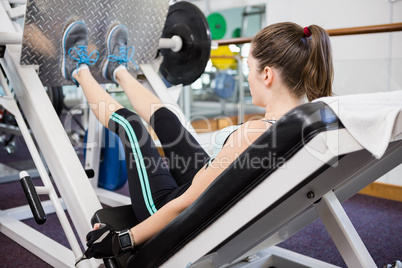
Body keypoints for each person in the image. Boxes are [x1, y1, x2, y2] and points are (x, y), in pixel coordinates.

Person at [61, 20, 333, 259]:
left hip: (173, 209)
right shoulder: (308, 122)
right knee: (168, 121)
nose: (247, 77)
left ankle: (78, 69)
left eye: (249, 67)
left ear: (267, 74)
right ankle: (117, 70)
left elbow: (185, 204)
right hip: (218, 194)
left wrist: (124, 239)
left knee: (132, 126)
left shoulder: (255, 133)